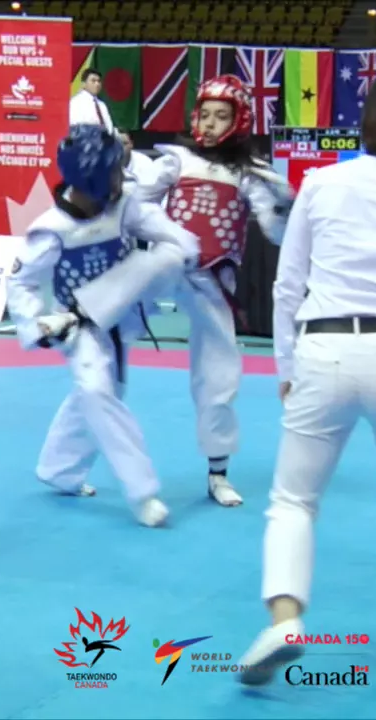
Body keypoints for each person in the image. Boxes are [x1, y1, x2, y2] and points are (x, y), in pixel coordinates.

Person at [236, 65, 376, 686]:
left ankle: (285, 620)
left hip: (323, 347)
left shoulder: (321, 184)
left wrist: (286, 366)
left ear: (369, 121)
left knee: (293, 500)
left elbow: (287, 284)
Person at [5, 124, 200, 528]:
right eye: (113, 171)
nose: (120, 177)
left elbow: (169, 235)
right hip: (78, 329)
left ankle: (59, 470)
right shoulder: (52, 228)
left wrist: (190, 251)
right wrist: (34, 323)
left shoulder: (125, 205)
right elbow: (21, 282)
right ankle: (142, 491)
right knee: (97, 392)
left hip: (122, 309)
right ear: (93, 177)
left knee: (165, 257)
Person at [131, 74, 294, 508]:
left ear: (238, 121)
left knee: (220, 374)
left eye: (222, 116)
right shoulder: (176, 160)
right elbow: (136, 206)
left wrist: (284, 203)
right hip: (168, 263)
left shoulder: (248, 175)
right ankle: (66, 464)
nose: (210, 123)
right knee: (100, 348)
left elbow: (275, 232)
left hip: (212, 280)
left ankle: (217, 472)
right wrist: (168, 234)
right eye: (205, 114)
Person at [69, 68, 115, 132]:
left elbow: (109, 127)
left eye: (99, 81)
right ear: (83, 84)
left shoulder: (102, 104)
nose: (97, 84)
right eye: (93, 81)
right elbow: (75, 127)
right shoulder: (76, 103)